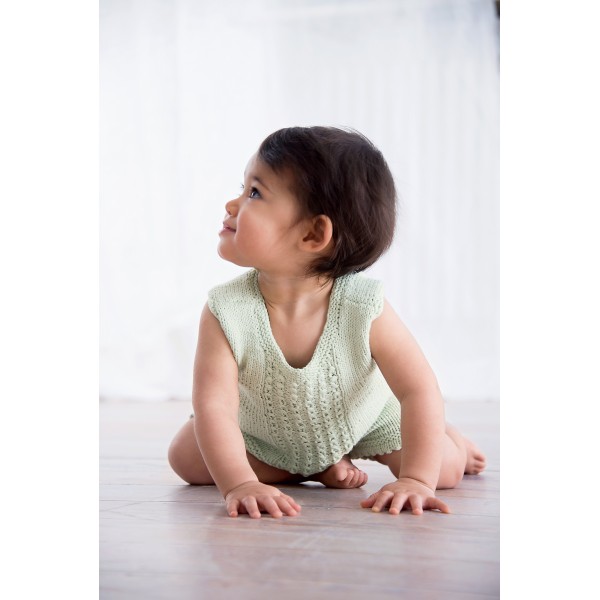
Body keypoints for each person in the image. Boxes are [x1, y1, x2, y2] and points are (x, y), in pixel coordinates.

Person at [168, 126, 486, 519]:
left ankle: (451, 437)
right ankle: (313, 467)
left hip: (363, 418)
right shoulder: (226, 310)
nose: (232, 204)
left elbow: (418, 389)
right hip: (264, 430)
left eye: (255, 193)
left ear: (313, 233)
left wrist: (417, 480)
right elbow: (214, 405)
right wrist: (240, 484)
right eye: (243, 188)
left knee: (445, 469)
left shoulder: (362, 305)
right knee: (185, 458)